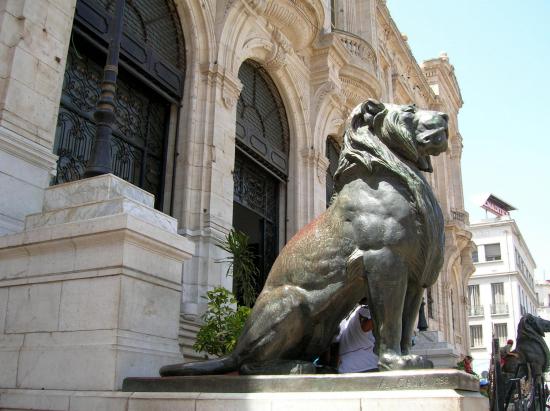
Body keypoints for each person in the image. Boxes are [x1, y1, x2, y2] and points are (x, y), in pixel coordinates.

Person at [336, 305, 379, 373]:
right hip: (365, 366)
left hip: (346, 368)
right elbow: (365, 327)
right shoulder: (363, 309)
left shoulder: (345, 319)